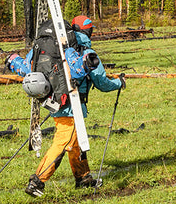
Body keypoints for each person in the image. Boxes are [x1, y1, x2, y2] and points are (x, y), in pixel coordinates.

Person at [7, 15, 124, 197]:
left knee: (74, 140)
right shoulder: (82, 50)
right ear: (88, 31)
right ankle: (37, 181)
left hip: (52, 98)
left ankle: (83, 177)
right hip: (71, 102)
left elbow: (26, 66)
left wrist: (13, 60)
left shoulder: (51, 45)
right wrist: (119, 83)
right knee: (63, 141)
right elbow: (101, 82)